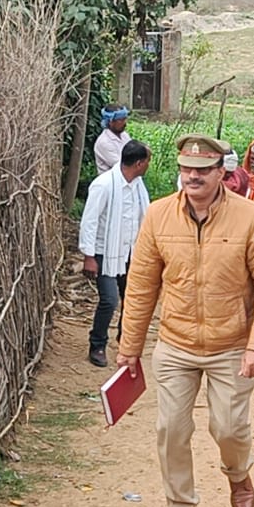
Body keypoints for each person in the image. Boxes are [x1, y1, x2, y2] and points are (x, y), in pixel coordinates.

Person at [117, 133, 254, 507]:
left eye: (202, 170)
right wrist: (129, 347)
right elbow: (141, 286)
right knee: (170, 429)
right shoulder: (158, 216)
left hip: (231, 345)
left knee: (228, 428)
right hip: (175, 343)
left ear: (220, 172)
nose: (192, 177)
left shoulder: (250, 218)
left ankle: (238, 474)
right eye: (186, 169)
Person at [79, 140, 151, 367]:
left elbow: (143, 217)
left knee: (132, 298)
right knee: (109, 300)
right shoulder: (104, 185)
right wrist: (89, 256)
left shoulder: (138, 185)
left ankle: (126, 340)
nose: (148, 165)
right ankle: (97, 345)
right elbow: (89, 221)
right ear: (139, 164)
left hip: (130, 250)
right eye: (147, 161)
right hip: (105, 252)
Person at [94, 105, 132, 173]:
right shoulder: (104, 142)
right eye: (120, 120)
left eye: (125, 119)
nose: (124, 123)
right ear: (110, 122)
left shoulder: (124, 135)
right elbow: (122, 166)